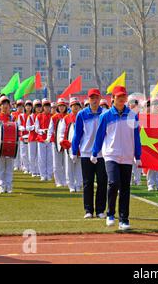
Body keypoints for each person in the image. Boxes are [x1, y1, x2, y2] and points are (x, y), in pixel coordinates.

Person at [92, 86, 141, 229]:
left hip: (127, 155)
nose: (121, 99)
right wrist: (95, 152)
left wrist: (138, 155)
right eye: (118, 97)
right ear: (113, 98)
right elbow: (100, 136)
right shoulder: (105, 116)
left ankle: (124, 219)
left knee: (125, 187)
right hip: (111, 154)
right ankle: (110, 214)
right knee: (113, 183)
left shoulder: (132, 115)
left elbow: (136, 137)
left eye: (123, 97)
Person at [71, 88, 108, 219]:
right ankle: (88, 210)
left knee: (103, 182)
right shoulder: (81, 114)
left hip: (102, 154)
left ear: (100, 99)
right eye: (92, 98)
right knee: (88, 183)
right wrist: (74, 151)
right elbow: (77, 134)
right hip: (86, 153)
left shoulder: (105, 113)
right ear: (88, 99)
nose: (94, 100)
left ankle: (100, 210)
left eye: (96, 98)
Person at [60, 97, 83, 193]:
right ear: (71, 106)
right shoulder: (66, 118)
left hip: (81, 146)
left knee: (79, 166)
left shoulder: (82, 117)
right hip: (69, 146)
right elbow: (61, 133)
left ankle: (78, 184)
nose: (76, 107)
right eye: (74, 105)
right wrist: (65, 143)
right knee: (69, 166)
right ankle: (71, 185)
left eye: (77, 105)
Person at [47, 98, 68, 187]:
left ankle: (66, 180)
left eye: (63, 106)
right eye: (60, 106)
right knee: (57, 162)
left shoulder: (68, 116)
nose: (61, 108)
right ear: (57, 107)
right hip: (55, 142)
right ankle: (58, 181)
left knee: (66, 163)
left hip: (66, 143)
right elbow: (50, 129)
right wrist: (48, 138)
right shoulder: (54, 117)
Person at [35, 98, 53, 182]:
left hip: (50, 140)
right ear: (43, 107)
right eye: (45, 106)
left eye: (48, 106)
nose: (47, 108)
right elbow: (36, 129)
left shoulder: (52, 116)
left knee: (49, 158)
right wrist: (42, 131)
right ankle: (43, 175)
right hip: (41, 139)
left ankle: (49, 175)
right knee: (41, 158)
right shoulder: (39, 116)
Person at [26, 100, 42, 177]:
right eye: (37, 106)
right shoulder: (31, 116)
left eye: (39, 106)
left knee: (39, 156)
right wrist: (34, 127)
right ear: (34, 107)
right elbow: (27, 127)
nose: (38, 108)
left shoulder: (42, 116)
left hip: (40, 138)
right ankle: (33, 171)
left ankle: (38, 170)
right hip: (32, 138)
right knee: (32, 156)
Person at [17, 100, 33, 174]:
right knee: (24, 153)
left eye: (30, 105)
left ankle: (31, 167)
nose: (28, 107)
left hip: (31, 136)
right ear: (25, 107)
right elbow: (18, 125)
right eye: (27, 105)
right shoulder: (21, 116)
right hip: (23, 136)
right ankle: (26, 167)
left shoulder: (33, 115)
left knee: (31, 153)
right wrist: (22, 128)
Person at [12, 100, 24, 171]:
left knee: (22, 152)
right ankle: (16, 165)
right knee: (16, 151)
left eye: (21, 106)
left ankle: (22, 165)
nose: (20, 107)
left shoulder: (25, 114)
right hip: (15, 134)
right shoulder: (13, 114)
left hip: (22, 135)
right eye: (19, 105)